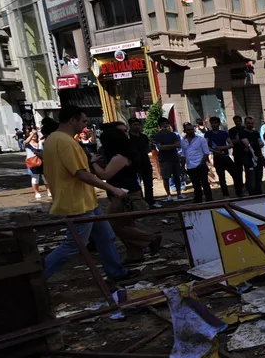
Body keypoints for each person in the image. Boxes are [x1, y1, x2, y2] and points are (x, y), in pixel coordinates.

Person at [41, 105, 134, 282]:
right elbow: (81, 173)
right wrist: (113, 189)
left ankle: (116, 272)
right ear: (72, 120)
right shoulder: (65, 142)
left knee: (106, 236)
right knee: (73, 245)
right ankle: (38, 277)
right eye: (83, 121)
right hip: (77, 203)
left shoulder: (54, 139)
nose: (85, 125)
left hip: (85, 200)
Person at [91, 125, 161, 263]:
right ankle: (135, 255)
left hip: (124, 194)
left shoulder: (119, 157)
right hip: (127, 191)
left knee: (115, 225)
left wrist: (93, 163)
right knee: (127, 224)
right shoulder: (124, 154)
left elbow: (105, 174)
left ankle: (150, 238)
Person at [206, 116, 243, 198]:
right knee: (222, 178)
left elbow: (231, 144)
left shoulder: (224, 133)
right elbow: (205, 145)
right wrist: (215, 151)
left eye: (215, 123)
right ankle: (226, 194)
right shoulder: (208, 134)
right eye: (212, 123)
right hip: (217, 157)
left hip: (226, 156)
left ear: (218, 124)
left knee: (235, 174)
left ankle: (239, 192)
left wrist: (222, 148)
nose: (213, 125)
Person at [126, 118, 157, 207]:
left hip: (145, 163)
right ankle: (140, 203)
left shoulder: (143, 137)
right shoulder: (127, 137)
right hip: (133, 164)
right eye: (135, 125)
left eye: (138, 125)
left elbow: (147, 147)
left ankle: (150, 202)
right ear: (130, 126)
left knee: (148, 184)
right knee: (137, 185)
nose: (137, 126)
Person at [180, 122, 213, 203]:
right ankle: (198, 200)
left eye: (192, 129)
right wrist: (182, 166)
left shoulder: (200, 139)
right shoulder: (183, 141)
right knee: (195, 184)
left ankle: (209, 200)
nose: (191, 131)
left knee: (205, 184)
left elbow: (206, 152)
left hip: (200, 164)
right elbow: (184, 154)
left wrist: (202, 164)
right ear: (185, 131)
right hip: (190, 166)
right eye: (188, 130)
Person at [153, 121, 184, 200]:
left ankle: (179, 193)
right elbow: (160, 147)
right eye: (163, 125)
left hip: (174, 157)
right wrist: (172, 146)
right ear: (160, 126)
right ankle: (168, 195)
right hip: (164, 159)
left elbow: (178, 144)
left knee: (177, 176)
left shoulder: (173, 134)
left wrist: (165, 146)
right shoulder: (158, 136)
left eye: (166, 124)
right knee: (166, 177)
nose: (165, 126)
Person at [22, 127, 47, 200]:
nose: (34, 136)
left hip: (42, 162)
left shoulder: (40, 142)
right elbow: (26, 142)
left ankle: (49, 191)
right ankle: (37, 192)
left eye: (35, 134)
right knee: (35, 178)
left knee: (46, 177)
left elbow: (47, 139)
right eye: (32, 135)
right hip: (33, 162)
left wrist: (42, 131)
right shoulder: (27, 144)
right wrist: (32, 133)